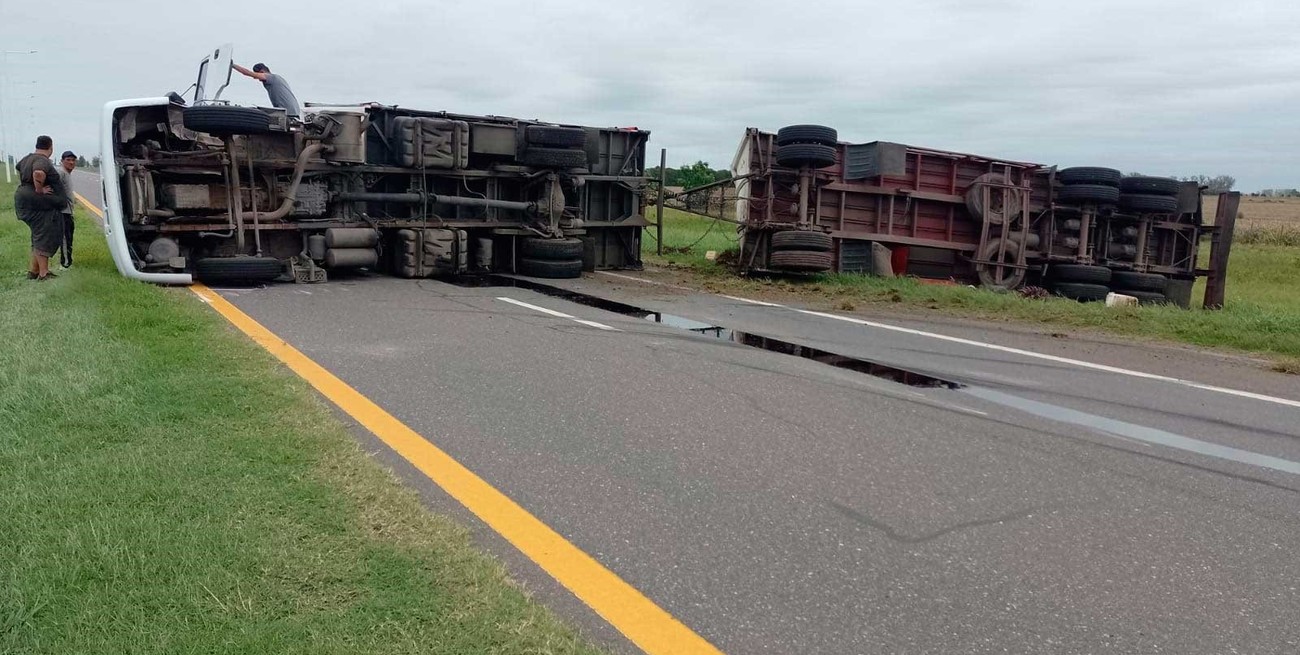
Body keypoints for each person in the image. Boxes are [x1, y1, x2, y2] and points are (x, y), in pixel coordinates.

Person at [12, 136, 66, 280]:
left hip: (26, 202)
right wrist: (39, 189)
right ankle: (44, 273)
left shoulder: (27, 158)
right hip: (38, 206)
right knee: (44, 235)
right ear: (50, 147)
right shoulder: (42, 160)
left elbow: (20, 167)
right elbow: (38, 172)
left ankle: (34, 271)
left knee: (37, 236)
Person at [232, 62, 300, 118]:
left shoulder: (270, 77)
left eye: (258, 76)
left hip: (288, 114)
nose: (259, 80)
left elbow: (247, 73)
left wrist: (232, 65)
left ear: (262, 71)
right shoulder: (278, 78)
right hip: (293, 112)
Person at [53, 150, 77, 268]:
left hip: (68, 212)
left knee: (69, 238)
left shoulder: (67, 173)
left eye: (73, 160)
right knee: (65, 239)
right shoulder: (60, 172)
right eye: (68, 160)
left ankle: (67, 261)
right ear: (62, 161)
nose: (71, 162)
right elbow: (52, 186)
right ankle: (65, 264)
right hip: (62, 212)